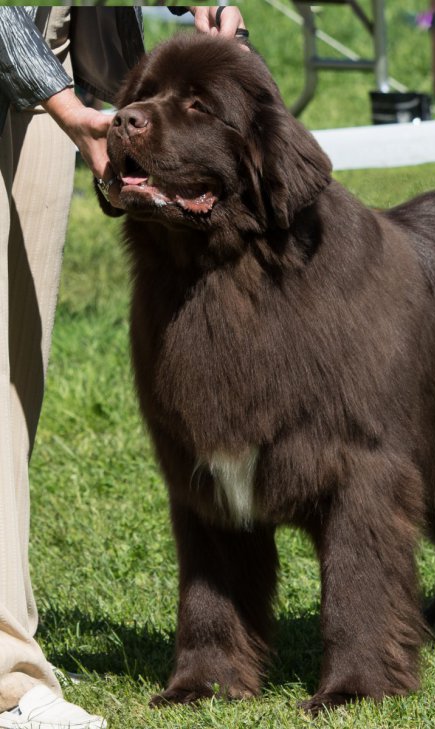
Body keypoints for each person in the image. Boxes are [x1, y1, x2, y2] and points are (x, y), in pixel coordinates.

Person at [0, 6, 246, 727]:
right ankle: (10, 675)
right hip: (41, 75)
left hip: (50, 62)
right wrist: (68, 107)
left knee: (16, 374)